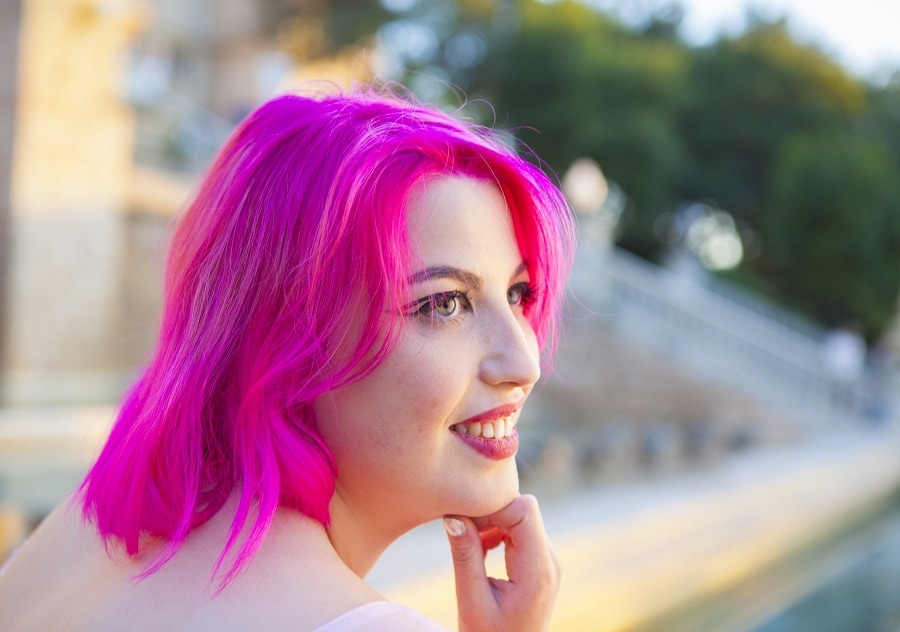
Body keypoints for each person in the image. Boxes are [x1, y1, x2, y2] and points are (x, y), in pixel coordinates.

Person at [0, 88, 575, 631]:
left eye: (519, 294)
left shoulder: (76, 538)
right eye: (444, 303)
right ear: (294, 341)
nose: (523, 361)